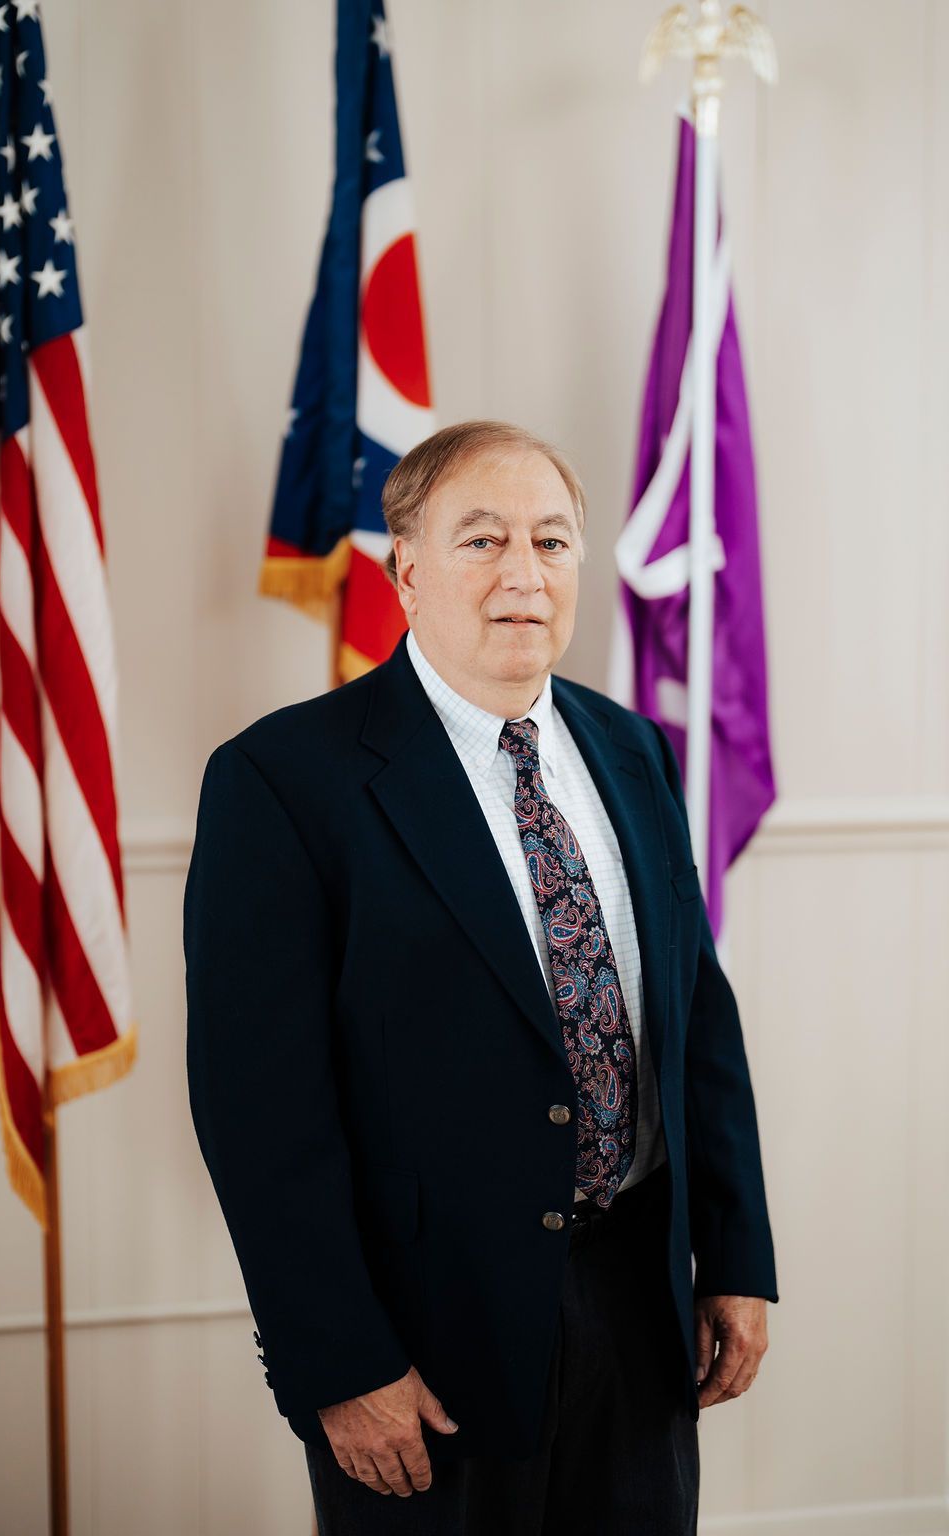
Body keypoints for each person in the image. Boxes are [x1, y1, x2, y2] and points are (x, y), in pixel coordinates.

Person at [184, 420, 779, 1535]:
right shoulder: (283, 781)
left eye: (552, 542)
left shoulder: (633, 750)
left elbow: (698, 1020)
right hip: (423, 1347)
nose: (524, 574)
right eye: (483, 540)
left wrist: (735, 1254)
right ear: (405, 569)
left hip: (639, 1311)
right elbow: (259, 1112)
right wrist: (337, 1360)